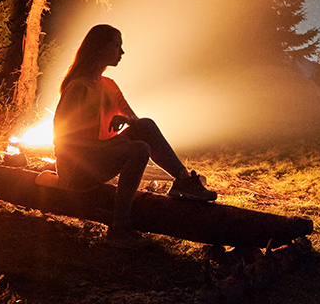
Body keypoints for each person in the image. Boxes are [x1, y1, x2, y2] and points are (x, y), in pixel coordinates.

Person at [53, 24, 216, 242]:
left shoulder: (109, 85)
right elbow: (61, 139)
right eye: (117, 46)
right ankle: (119, 227)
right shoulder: (78, 87)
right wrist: (107, 145)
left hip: (100, 158)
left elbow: (138, 123)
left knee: (146, 125)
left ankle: (183, 180)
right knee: (139, 149)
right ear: (100, 48)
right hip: (75, 169)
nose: (122, 52)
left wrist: (127, 120)